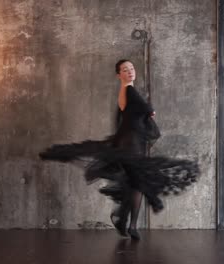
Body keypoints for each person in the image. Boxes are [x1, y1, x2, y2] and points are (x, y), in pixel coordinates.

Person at [40, 59, 199, 240]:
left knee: (134, 184)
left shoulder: (125, 91)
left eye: (131, 68)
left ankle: (126, 223)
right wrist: (150, 112)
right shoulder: (129, 90)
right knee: (138, 183)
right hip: (131, 145)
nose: (130, 71)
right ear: (119, 75)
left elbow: (127, 117)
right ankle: (128, 224)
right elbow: (147, 108)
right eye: (125, 69)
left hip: (129, 142)